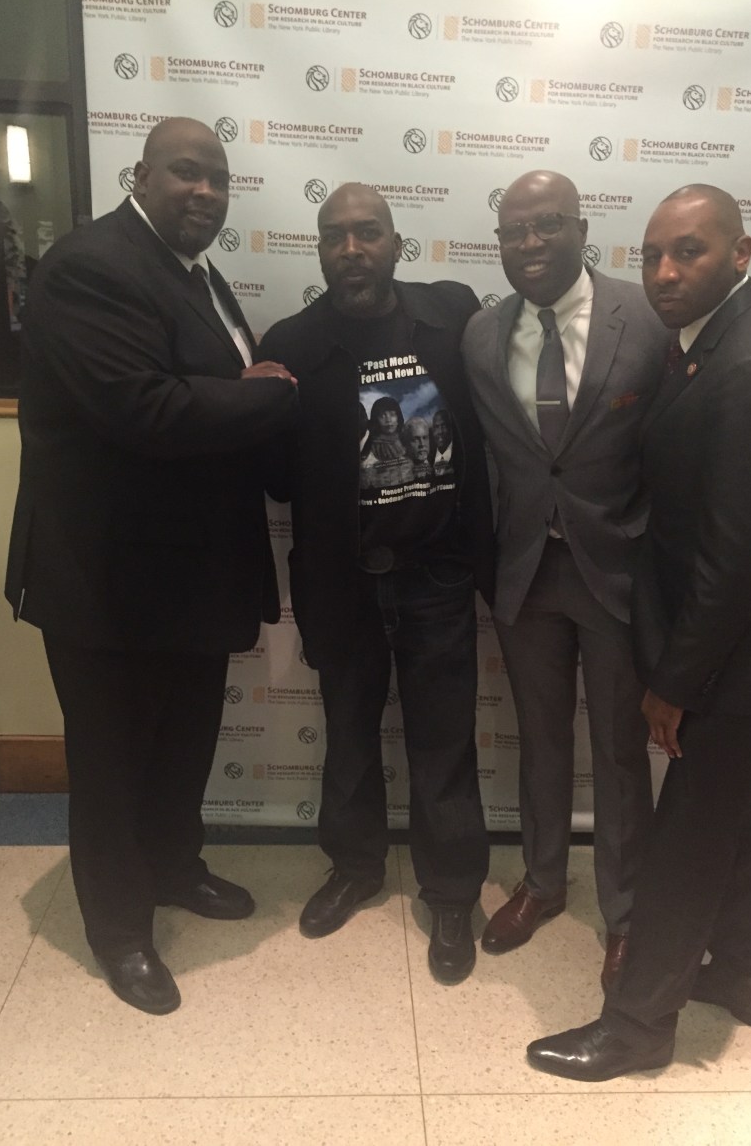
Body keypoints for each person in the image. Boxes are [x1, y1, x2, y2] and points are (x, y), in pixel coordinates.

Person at [526, 184, 751, 1082]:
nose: (663, 271)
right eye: (651, 254)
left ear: (739, 253)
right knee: (742, 809)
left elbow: (734, 561)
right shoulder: (714, 340)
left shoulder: (748, 365)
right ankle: (745, 976)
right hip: (748, 642)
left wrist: (673, 686)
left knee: (687, 836)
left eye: (687, 251)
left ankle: (637, 1025)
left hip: (742, 650)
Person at [5, 117, 297, 1015]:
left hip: (191, 575)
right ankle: (120, 930)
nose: (205, 192)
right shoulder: (91, 266)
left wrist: (249, 393)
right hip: (105, 579)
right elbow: (147, 409)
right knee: (112, 761)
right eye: (185, 172)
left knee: (182, 743)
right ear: (140, 175)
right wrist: (268, 396)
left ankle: (173, 867)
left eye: (219, 178)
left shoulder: (194, 274)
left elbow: (208, 391)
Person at [259, 183, 494, 984]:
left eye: (367, 233)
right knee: (350, 739)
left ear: (396, 243)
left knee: (443, 743)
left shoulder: (452, 316)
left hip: (436, 577)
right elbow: (277, 479)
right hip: (341, 583)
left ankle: (452, 893)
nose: (351, 249)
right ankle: (355, 868)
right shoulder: (292, 342)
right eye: (334, 236)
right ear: (319, 250)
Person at [461, 170, 668, 988]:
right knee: (540, 740)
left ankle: (627, 913)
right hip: (524, 573)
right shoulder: (481, 335)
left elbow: (698, 427)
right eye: (513, 230)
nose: (530, 243)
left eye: (547, 224)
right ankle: (543, 882)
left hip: (616, 572)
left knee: (618, 751)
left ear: (582, 229)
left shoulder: (645, 319)